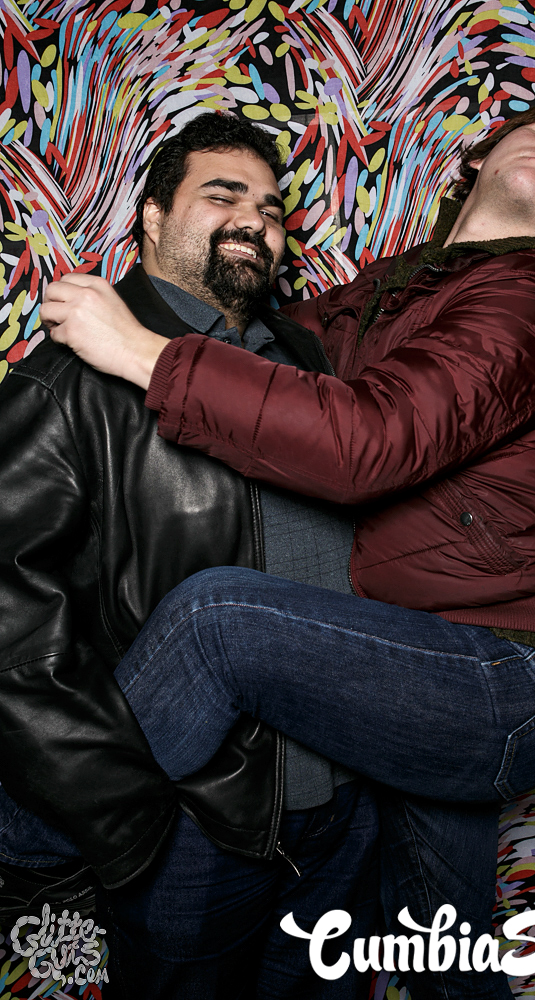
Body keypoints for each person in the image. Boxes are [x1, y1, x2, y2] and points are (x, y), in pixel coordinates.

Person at [42, 92, 535, 1000]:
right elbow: (268, 362)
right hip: (417, 656)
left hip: (512, 672)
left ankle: (21, 842)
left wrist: (140, 352)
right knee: (442, 957)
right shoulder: (386, 294)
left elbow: (367, 443)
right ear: (479, 159)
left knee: (217, 622)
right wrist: (158, 303)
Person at [0, 112, 379, 999]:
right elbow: (10, 626)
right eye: (223, 195)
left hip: (344, 812)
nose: (255, 219)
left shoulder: (311, 367)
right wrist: (128, 816)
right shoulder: (72, 378)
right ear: (152, 216)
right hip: (196, 828)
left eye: (272, 208)